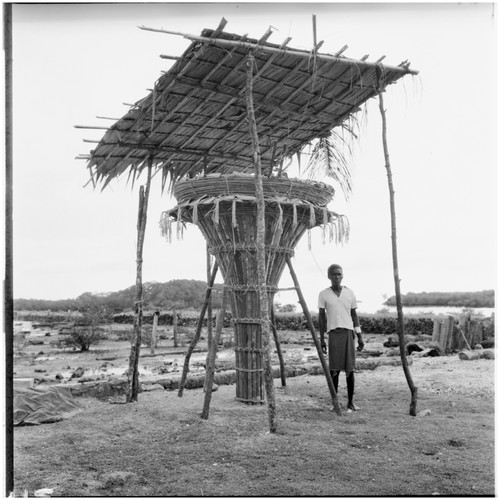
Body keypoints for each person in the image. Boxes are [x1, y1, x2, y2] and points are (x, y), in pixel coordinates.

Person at [318, 264, 364, 412]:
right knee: (334, 370)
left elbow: (354, 315)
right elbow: (321, 318)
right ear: (329, 276)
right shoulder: (324, 294)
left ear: (342, 276)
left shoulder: (349, 293)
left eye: (339, 274)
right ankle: (335, 402)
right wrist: (322, 339)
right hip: (333, 334)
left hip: (348, 333)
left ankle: (350, 402)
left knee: (350, 369)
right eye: (334, 274)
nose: (337, 277)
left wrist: (360, 336)